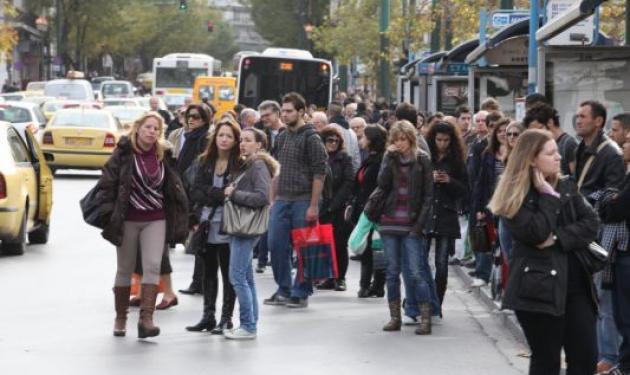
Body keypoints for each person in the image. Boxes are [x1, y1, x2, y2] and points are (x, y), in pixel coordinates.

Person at [489, 129, 600, 375]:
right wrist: (548, 196)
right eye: (550, 153)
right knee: (546, 361)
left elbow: (591, 224)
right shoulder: (513, 195)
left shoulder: (567, 185)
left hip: (576, 286)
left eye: (557, 152)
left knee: (585, 358)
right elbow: (537, 233)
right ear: (531, 158)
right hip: (537, 288)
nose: (558, 158)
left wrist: (558, 237)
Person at [98, 112, 188, 338]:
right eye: (148, 127)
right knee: (125, 269)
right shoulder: (124, 153)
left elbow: (174, 186)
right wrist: (109, 213)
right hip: (128, 218)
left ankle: (146, 319)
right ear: (137, 128)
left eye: (156, 129)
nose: (152, 132)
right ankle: (121, 317)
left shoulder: (163, 154)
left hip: (155, 218)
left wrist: (185, 214)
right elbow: (107, 183)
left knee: (152, 266)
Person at [575, 100, 626, 373]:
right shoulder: (583, 148)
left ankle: (610, 354)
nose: (578, 120)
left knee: (603, 299)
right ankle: (598, 352)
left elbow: (613, 196)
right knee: (591, 297)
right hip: (585, 234)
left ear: (598, 121)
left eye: (583, 116)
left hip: (600, 236)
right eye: (577, 115)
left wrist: (583, 201)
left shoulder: (610, 153)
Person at [264, 92, 328, 309]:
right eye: (283, 110)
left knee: (305, 249)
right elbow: (276, 170)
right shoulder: (281, 137)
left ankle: (301, 291)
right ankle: (283, 289)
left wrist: (313, 204)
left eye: (289, 111)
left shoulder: (312, 137)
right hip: (282, 199)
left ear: (301, 112)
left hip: (303, 201)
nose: (285, 114)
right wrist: (272, 200)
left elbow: (320, 173)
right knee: (275, 245)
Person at [376, 120, 437, 335]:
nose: (400, 144)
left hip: (412, 223)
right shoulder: (389, 157)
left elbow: (429, 196)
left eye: (403, 139)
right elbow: (382, 185)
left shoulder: (422, 159)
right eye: (396, 140)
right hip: (389, 221)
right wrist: (388, 159)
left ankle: (425, 319)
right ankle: (395, 317)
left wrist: (419, 225)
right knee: (392, 272)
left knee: (416, 272)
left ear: (411, 138)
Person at [185, 118, 240, 334]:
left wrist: (212, 194)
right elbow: (195, 190)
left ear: (235, 140)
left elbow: (234, 194)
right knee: (209, 272)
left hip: (229, 225)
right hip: (206, 224)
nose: (224, 139)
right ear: (214, 138)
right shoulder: (204, 161)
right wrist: (218, 194)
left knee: (228, 273)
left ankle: (226, 319)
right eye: (220, 135)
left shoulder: (239, 164)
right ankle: (208, 316)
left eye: (228, 136)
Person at [222, 128, 278, 340]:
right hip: (242, 226)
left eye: (248, 140)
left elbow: (263, 197)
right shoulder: (249, 164)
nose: (242, 144)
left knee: (236, 276)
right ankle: (250, 322)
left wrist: (234, 193)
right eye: (241, 140)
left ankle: (248, 326)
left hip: (245, 227)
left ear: (259, 145)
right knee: (246, 276)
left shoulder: (258, 165)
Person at [424, 121, 468, 306]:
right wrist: (430, 178)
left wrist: (449, 181)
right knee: (421, 262)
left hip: (446, 214)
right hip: (426, 214)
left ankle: (437, 303)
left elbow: (465, 189)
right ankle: (423, 299)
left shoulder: (456, 161)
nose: (442, 144)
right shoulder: (426, 157)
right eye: (439, 139)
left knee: (441, 264)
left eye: (446, 140)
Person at [599, 130, 630, 375]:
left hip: (627, 253)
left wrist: (611, 200)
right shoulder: (625, 174)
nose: (625, 145)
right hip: (620, 253)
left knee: (626, 316)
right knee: (620, 314)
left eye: (629, 142)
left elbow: (615, 209)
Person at [178, 105, 213, 296]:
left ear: (205, 120)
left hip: (197, 196)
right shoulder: (190, 136)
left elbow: (200, 168)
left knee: (201, 241)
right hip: (188, 194)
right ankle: (198, 282)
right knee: (198, 240)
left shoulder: (203, 138)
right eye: (188, 116)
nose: (191, 120)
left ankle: (200, 282)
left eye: (196, 117)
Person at [470, 117, 510, 287]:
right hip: (490, 202)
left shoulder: (516, 152)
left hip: (508, 205)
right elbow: (481, 181)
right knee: (486, 238)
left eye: (505, 131)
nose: (502, 134)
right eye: (499, 131)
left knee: (504, 242)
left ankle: (505, 280)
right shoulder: (488, 153)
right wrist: (479, 206)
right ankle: (483, 273)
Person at [315, 126, 354, 292]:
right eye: (329, 140)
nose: (333, 143)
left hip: (338, 208)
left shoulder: (344, 158)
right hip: (320, 207)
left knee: (339, 244)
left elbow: (349, 182)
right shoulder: (317, 158)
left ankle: (340, 278)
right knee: (324, 244)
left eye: (336, 140)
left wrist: (334, 204)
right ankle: (328, 277)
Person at [350, 124, 388, 298]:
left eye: (364, 137)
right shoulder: (369, 158)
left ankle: (375, 285)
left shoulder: (381, 161)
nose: (361, 140)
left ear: (371, 140)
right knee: (367, 248)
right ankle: (366, 285)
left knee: (376, 247)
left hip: (375, 211)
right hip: (364, 209)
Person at [254, 100, 285, 274]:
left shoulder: (286, 132)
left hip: (282, 185)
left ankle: (277, 259)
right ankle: (262, 259)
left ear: (277, 114)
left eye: (267, 115)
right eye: (262, 115)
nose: (264, 118)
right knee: (265, 222)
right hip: (265, 182)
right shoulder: (261, 133)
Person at [523, 103, 578, 176]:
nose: (537, 135)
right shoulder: (547, 144)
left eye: (539, 129)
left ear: (550, 122)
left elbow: (576, 178)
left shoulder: (569, 144)